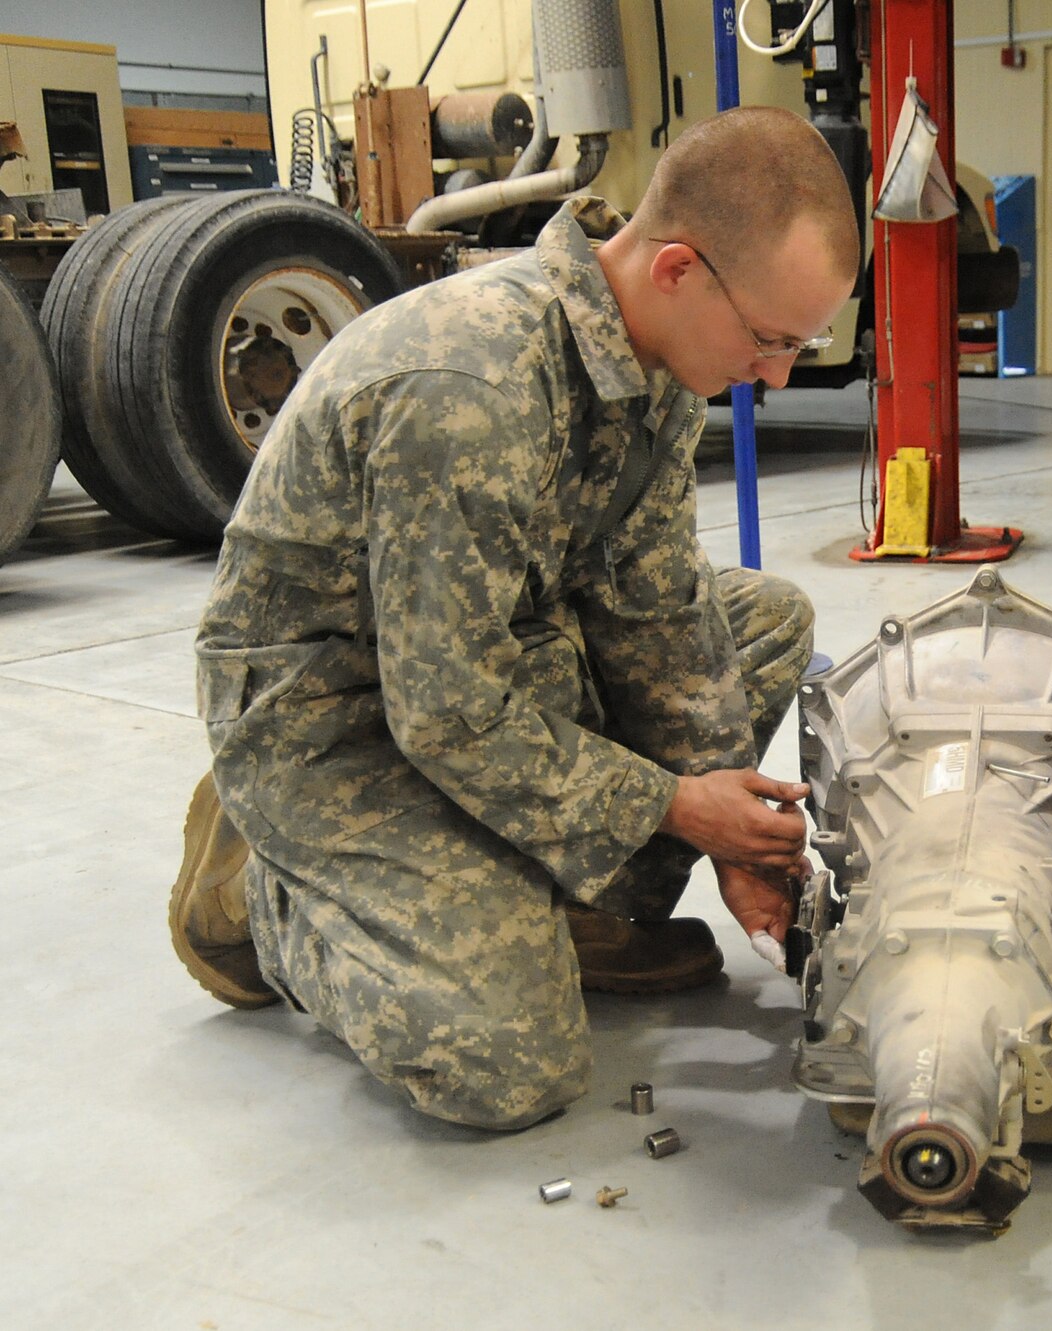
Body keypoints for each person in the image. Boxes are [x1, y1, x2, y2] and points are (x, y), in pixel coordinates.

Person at [168, 106, 861, 1130]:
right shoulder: (472, 382)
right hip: (330, 717)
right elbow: (444, 712)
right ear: (677, 270)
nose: (776, 375)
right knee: (505, 1060)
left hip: (485, 655)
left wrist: (738, 842)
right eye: (768, 340)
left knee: (761, 620)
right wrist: (677, 806)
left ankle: (564, 907)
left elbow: (655, 607)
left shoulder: (658, 371)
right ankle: (265, 894)